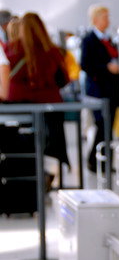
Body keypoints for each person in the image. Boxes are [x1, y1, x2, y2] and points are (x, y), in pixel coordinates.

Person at [5, 12, 70, 166]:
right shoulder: (52, 51)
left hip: (19, 109)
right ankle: (51, 176)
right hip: (50, 109)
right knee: (52, 149)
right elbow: (63, 80)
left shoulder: (12, 49)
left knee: (22, 148)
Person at [80, 4, 119, 172]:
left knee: (107, 127)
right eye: (105, 17)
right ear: (96, 19)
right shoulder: (88, 40)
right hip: (98, 91)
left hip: (111, 91)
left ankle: (105, 162)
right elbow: (85, 64)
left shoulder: (109, 40)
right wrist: (106, 68)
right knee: (102, 125)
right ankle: (95, 160)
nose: (108, 20)